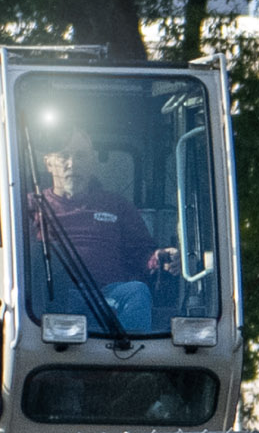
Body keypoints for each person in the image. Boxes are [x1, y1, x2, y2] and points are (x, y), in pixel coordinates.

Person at [33, 128, 175, 332]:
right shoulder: (32, 205)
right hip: (57, 300)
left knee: (137, 292)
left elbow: (142, 253)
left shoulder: (116, 205)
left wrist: (159, 257)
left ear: (92, 162)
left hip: (107, 296)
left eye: (81, 156)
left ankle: (127, 358)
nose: (72, 164)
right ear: (48, 163)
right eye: (64, 156)